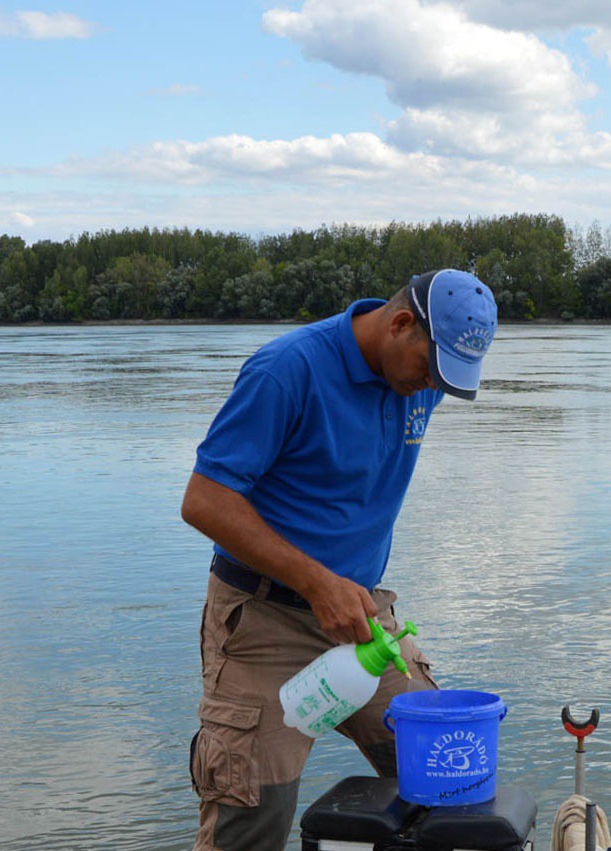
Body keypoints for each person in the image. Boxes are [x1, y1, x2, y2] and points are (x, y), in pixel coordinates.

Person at [180, 269, 498, 851]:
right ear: (400, 323)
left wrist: (340, 588)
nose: (435, 385)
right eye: (432, 369)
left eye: (450, 377)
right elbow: (203, 501)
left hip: (363, 620)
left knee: (450, 776)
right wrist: (316, 582)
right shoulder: (287, 371)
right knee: (252, 818)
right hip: (264, 620)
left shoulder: (416, 379)